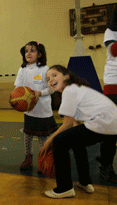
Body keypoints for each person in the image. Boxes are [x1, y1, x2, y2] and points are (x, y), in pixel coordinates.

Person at [40, 65, 117, 199]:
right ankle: (84, 182)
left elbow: (68, 123)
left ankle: (64, 188)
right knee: (76, 141)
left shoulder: (69, 91)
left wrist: (48, 141)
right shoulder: (77, 89)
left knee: (59, 141)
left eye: (54, 75)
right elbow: (75, 124)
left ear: (66, 76)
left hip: (104, 124)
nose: (50, 79)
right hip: (111, 126)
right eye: (47, 78)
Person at [14, 41, 57, 170]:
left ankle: (43, 160)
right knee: (27, 136)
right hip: (29, 111)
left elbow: (51, 89)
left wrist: (40, 92)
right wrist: (16, 97)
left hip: (42, 110)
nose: (29, 53)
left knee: (42, 139)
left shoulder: (45, 69)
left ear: (39, 54)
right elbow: (17, 88)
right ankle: (28, 159)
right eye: (27, 51)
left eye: (32, 50)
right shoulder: (22, 69)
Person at [94, 14, 117, 183]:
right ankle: (105, 165)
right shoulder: (110, 31)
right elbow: (114, 51)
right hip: (113, 84)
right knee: (111, 128)